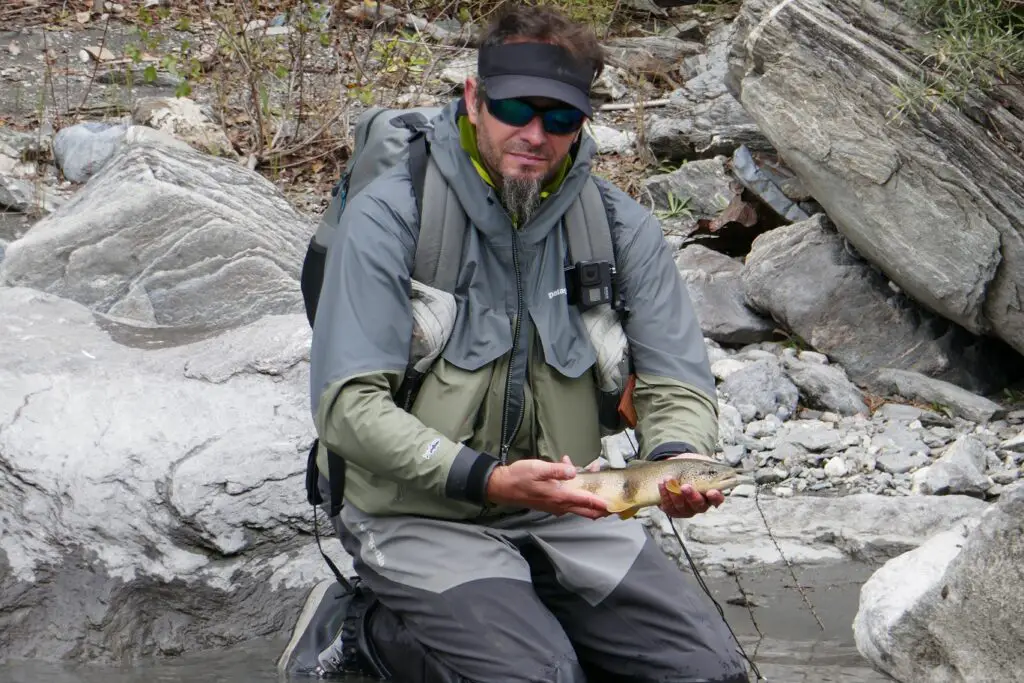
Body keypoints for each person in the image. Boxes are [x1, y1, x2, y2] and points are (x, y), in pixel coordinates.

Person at [277, 6, 751, 683]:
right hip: (416, 511)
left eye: (559, 119)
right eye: (514, 110)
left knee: (710, 674)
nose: (536, 134)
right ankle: (366, 633)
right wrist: (488, 477)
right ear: (474, 99)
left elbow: (675, 382)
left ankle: (526, 620)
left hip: (570, 507)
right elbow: (348, 407)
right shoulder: (389, 216)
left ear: (582, 122)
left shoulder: (621, 229)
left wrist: (677, 458)